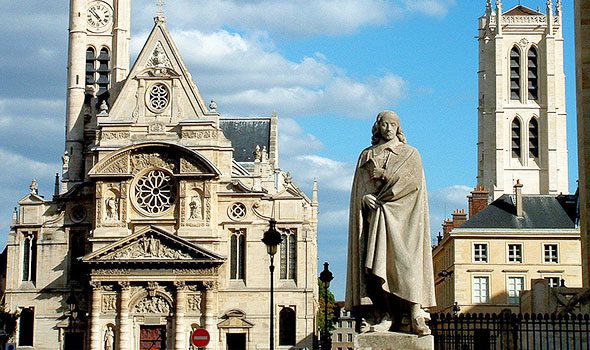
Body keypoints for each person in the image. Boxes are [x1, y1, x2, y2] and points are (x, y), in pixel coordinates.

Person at [345, 110, 435, 335]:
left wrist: (383, 174)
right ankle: (384, 313)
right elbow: (359, 189)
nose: (388, 128)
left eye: (392, 124)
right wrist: (364, 198)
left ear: (398, 128)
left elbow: (412, 184)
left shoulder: (410, 153)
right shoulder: (366, 155)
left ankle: (415, 312)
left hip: (405, 220)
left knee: (407, 263)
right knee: (376, 266)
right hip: (375, 218)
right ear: (377, 127)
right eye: (384, 124)